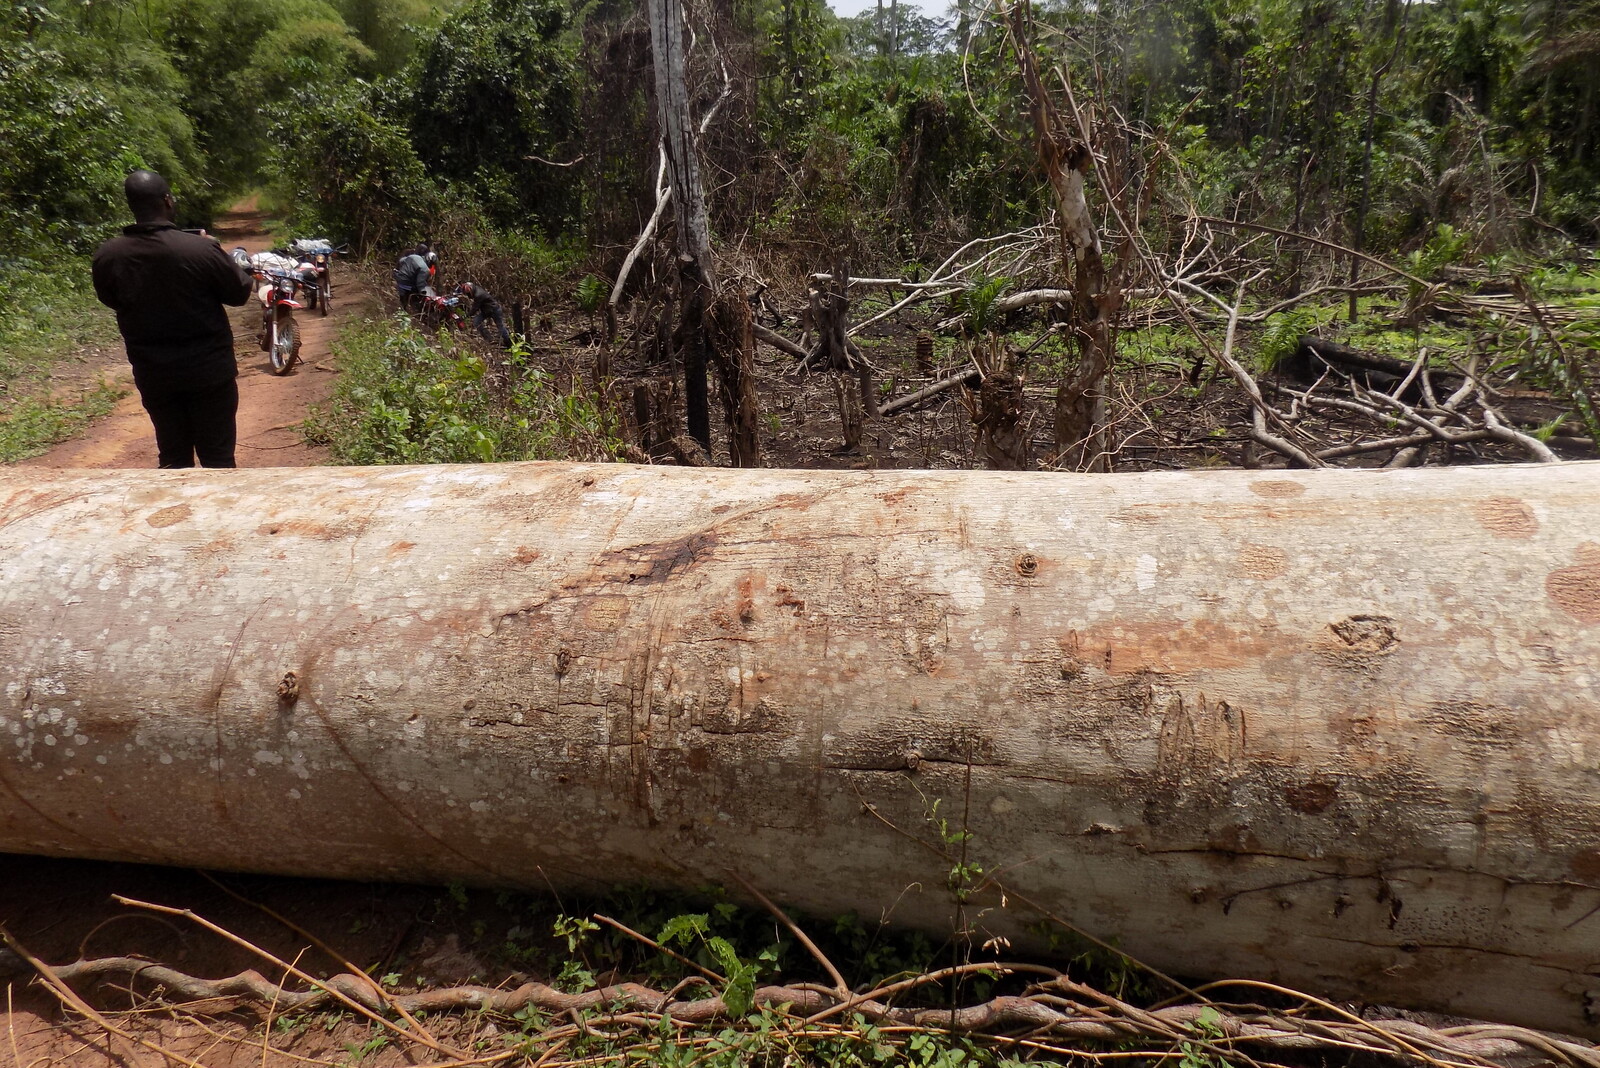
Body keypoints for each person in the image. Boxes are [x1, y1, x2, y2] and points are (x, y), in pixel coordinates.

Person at [91, 170, 252, 469]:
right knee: (218, 457)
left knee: (172, 455)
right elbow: (239, 293)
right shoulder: (201, 249)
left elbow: (110, 299)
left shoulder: (108, 255)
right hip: (210, 371)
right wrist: (218, 252)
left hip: (154, 372)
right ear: (167, 200)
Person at [457, 281, 511, 348]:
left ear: (471, 288)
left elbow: (474, 309)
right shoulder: (476, 289)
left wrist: (465, 316)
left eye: (468, 292)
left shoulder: (478, 295)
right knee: (476, 321)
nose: (468, 295)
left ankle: (509, 343)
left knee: (500, 327)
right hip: (486, 311)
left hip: (494, 310)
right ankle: (489, 338)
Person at [394, 246, 431, 311]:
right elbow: (420, 283)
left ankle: (401, 308)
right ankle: (415, 310)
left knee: (403, 299)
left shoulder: (413, 256)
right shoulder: (425, 269)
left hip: (399, 279)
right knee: (416, 295)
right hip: (407, 283)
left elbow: (401, 261)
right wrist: (424, 293)